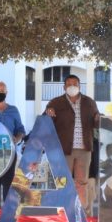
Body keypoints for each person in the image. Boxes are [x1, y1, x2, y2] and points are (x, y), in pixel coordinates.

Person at [45, 74, 100, 213]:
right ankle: (63, 213)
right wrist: (48, 113)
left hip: (84, 149)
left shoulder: (89, 102)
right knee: (63, 182)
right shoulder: (55, 102)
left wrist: (98, 118)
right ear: (64, 87)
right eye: (69, 84)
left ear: (79, 86)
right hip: (64, 149)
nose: (72, 86)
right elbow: (45, 120)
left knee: (82, 182)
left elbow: (97, 122)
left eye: (75, 83)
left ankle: (82, 213)